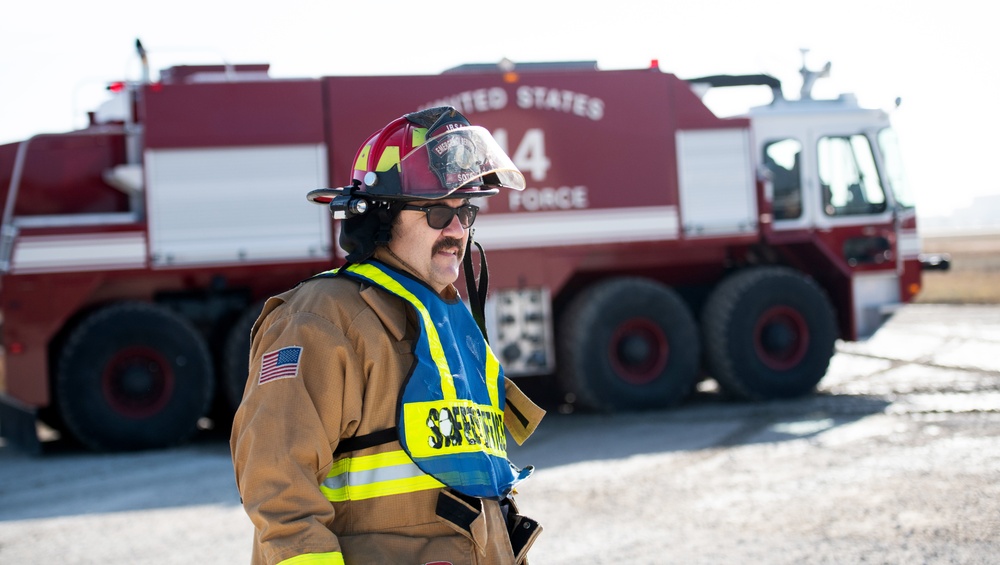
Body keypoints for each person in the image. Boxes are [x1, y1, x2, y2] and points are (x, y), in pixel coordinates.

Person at [230, 106, 546, 565]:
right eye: (438, 213)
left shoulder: (445, 319)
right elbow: (278, 487)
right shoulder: (321, 319)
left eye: (467, 211)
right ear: (383, 218)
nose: (458, 230)